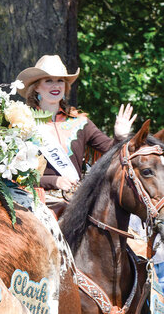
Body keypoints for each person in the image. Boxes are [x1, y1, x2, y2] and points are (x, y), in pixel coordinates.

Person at [16, 55, 136, 205]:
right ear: (36, 87)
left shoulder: (80, 122)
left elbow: (111, 153)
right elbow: (12, 173)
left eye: (60, 80)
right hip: (34, 202)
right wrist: (53, 181)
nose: (56, 85)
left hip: (74, 201)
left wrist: (119, 136)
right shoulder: (21, 123)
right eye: (49, 81)